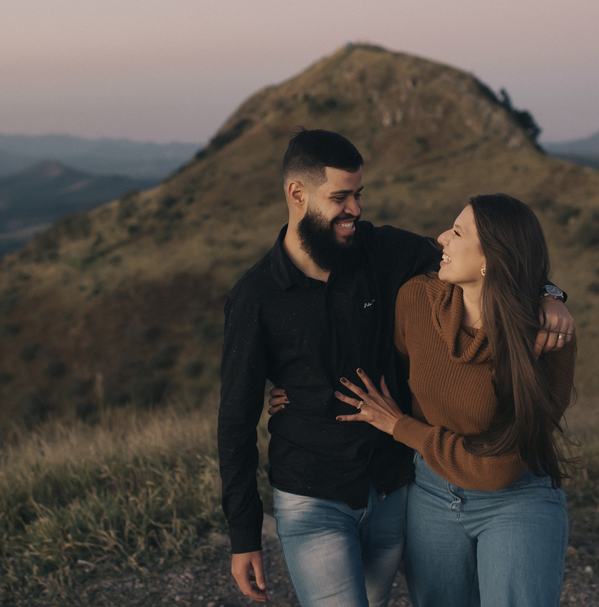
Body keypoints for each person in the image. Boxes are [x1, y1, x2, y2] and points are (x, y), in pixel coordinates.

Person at [218, 130, 575, 606]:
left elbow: (500, 259)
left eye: (359, 194)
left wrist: (549, 294)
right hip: (312, 491)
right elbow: (235, 422)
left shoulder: (384, 251)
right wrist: (244, 534)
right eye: (340, 198)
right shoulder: (255, 297)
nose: (355, 209)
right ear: (297, 194)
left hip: (391, 486)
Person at [330, 194, 575, 607]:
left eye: (458, 233)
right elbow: (386, 362)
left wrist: (401, 427)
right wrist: (292, 389)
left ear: (491, 260)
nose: (442, 237)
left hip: (516, 495)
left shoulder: (546, 337)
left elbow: (496, 469)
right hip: (430, 493)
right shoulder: (417, 300)